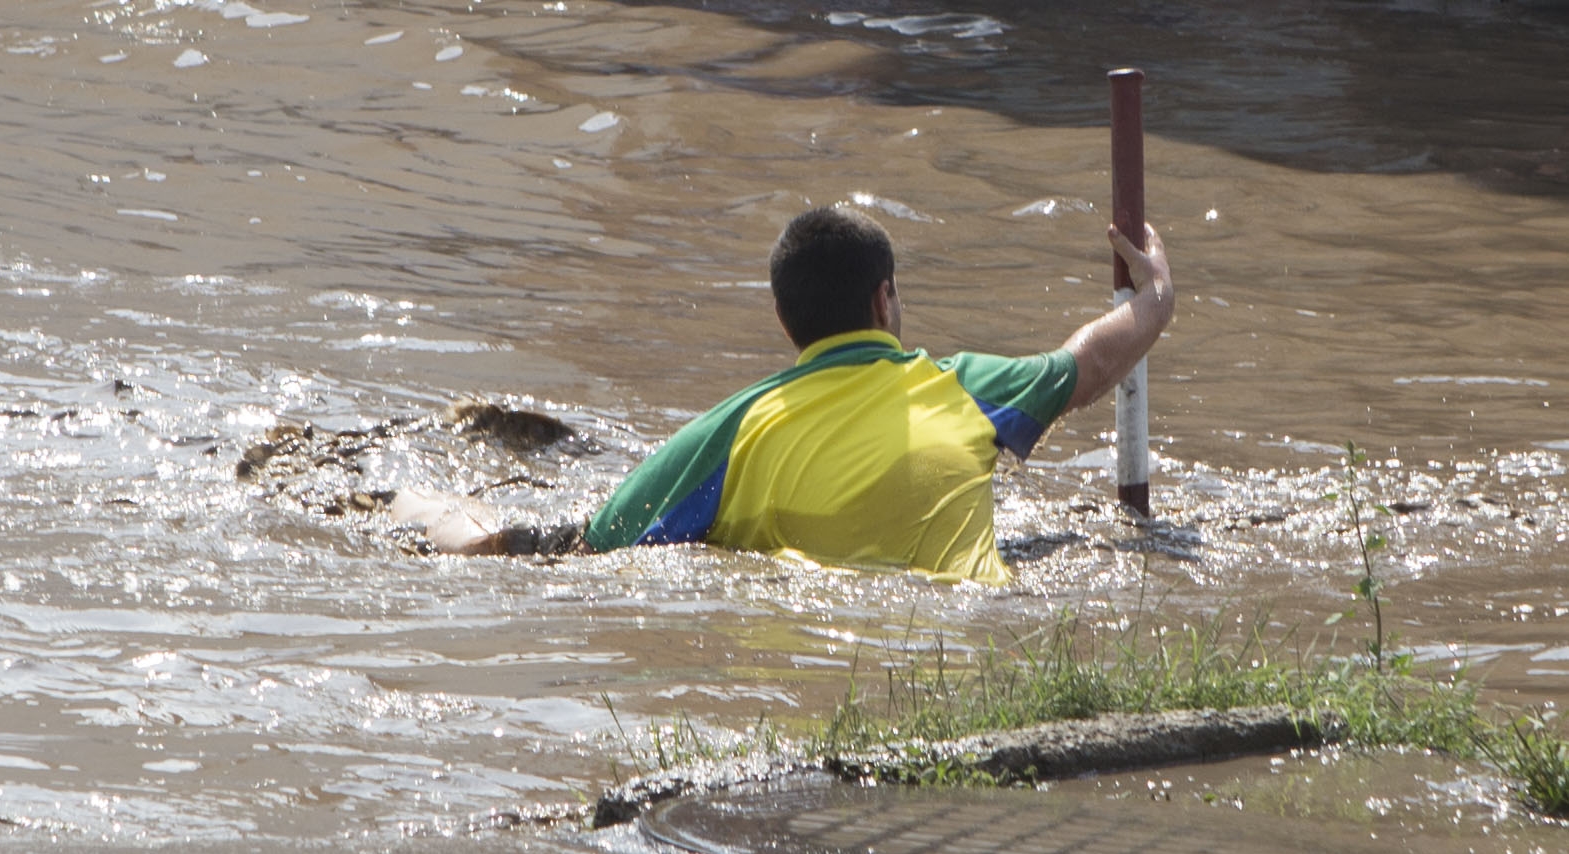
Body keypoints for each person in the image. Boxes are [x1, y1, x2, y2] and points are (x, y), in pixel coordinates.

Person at [394, 205, 1173, 583]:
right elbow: (1090, 363)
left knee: (516, 532)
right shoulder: (961, 386)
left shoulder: (726, 434)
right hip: (961, 629)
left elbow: (589, 547)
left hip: (801, 630)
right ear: (885, 300)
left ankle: (406, 500)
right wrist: (1157, 295)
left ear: (782, 318)